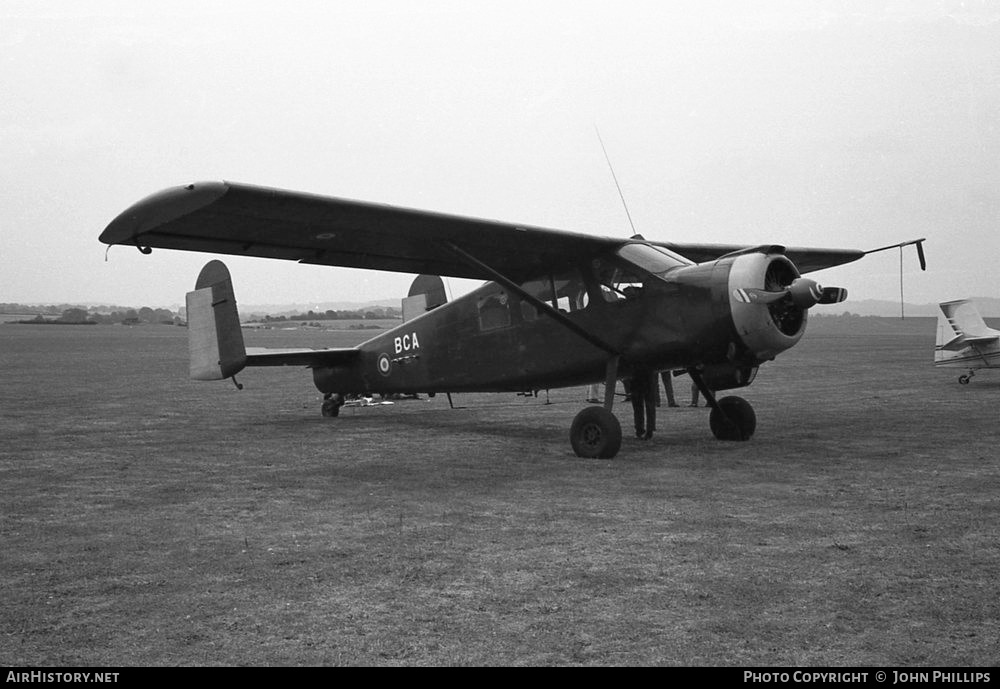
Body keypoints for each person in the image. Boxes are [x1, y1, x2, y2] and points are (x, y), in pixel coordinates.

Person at [629, 367, 657, 440]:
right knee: (649, 404)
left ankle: (640, 429)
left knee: (638, 405)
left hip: (636, 374)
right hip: (647, 373)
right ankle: (648, 430)